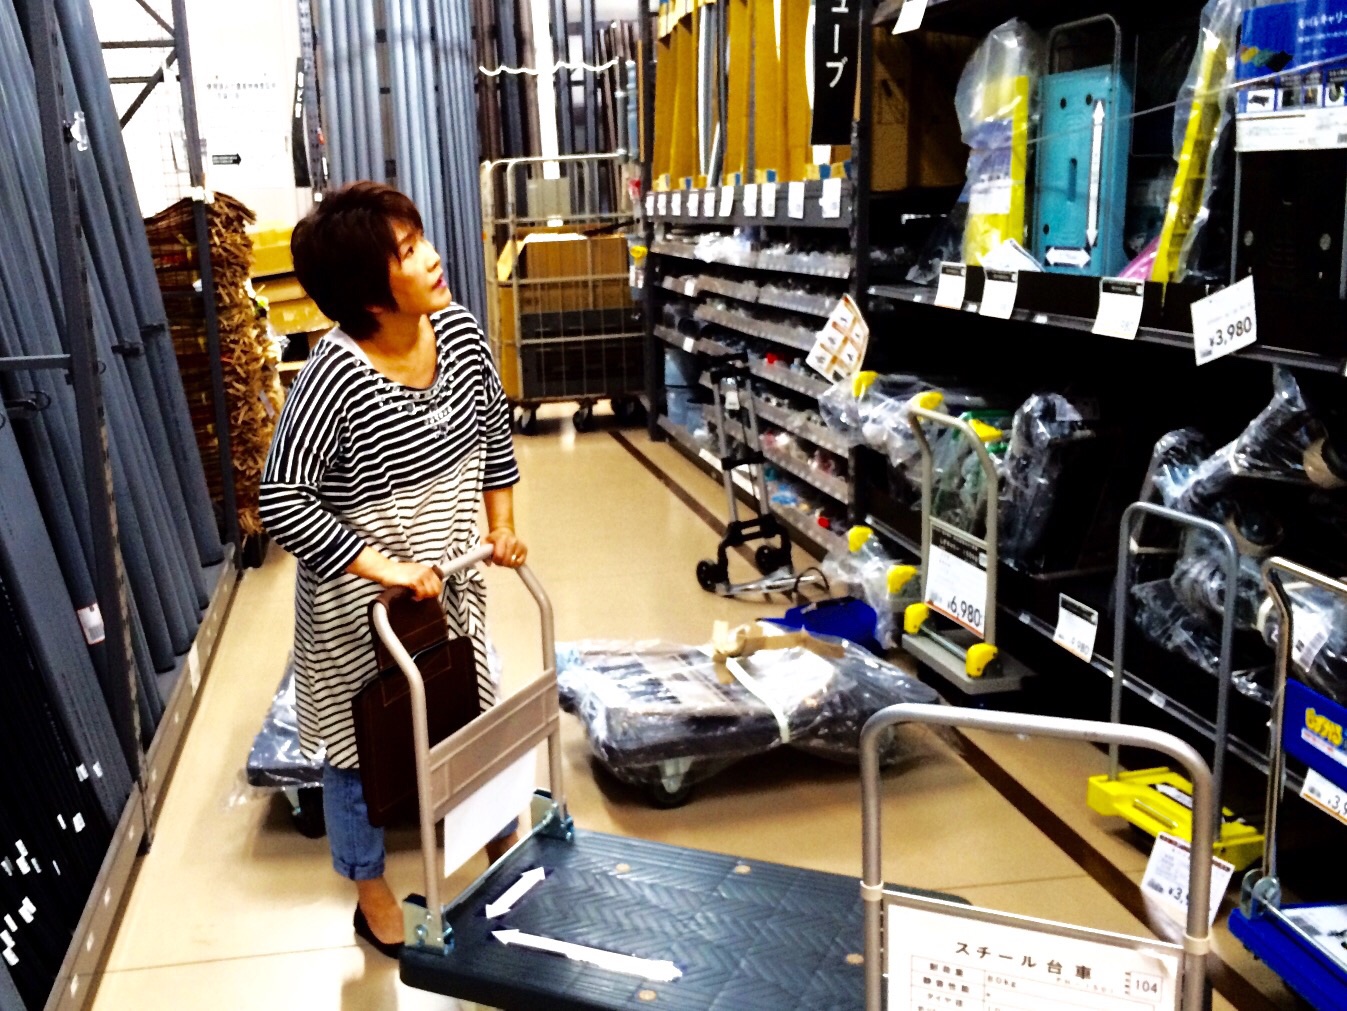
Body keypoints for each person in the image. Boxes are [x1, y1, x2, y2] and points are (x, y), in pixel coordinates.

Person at [259, 182, 525, 957]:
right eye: (409, 251)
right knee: (361, 756)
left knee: (473, 716)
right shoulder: (333, 378)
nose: (433, 257)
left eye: (421, 238)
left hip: (452, 586)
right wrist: (383, 567)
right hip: (361, 610)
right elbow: (281, 498)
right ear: (369, 294)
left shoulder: (461, 336)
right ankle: (371, 894)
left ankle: (501, 845)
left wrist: (502, 526)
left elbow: (494, 434)